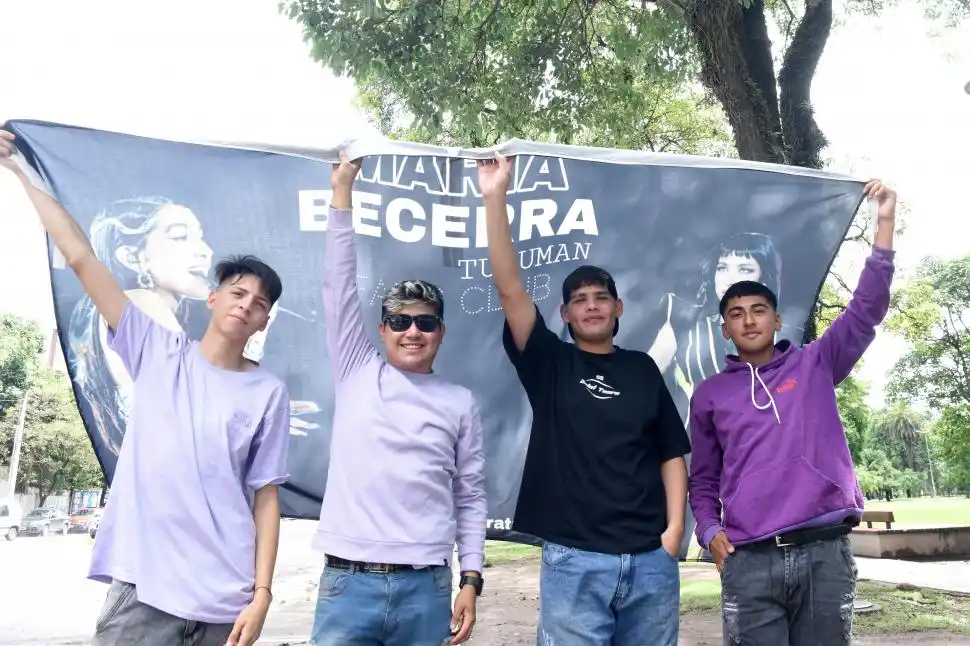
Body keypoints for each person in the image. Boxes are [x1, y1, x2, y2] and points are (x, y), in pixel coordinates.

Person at [0, 129, 291, 646]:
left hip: (226, 600)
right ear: (213, 299)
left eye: (260, 302)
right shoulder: (156, 351)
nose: (246, 304)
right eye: (237, 291)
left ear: (264, 321)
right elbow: (82, 258)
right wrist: (23, 173)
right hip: (144, 593)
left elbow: (265, 497)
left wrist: (262, 593)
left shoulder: (268, 393)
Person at [477, 153, 691, 646]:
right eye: (579, 299)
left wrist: (674, 533)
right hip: (575, 560)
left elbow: (670, 454)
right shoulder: (549, 362)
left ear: (618, 308)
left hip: (651, 561)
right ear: (566, 314)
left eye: (600, 297)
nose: (591, 305)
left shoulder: (641, 368)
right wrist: (495, 197)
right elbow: (510, 290)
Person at [688, 179, 897, 646]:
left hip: (824, 554)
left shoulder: (815, 364)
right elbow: (703, 478)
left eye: (758, 309)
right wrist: (708, 530)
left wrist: (883, 222)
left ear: (777, 320)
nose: (748, 319)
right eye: (737, 313)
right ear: (725, 329)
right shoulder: (710, 394)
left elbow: (865, 310)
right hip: (750, 561)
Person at [309, 154, 486, 646]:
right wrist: (342, 189)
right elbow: (338, 286)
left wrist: (470, 579)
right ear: (382, 330)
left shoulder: (459, 402)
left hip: (426, 587)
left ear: (441, 332)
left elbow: (470, 496)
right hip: (348, 584)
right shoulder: (356, 370)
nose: (413, 331)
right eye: (401, 321)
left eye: (426, 322)